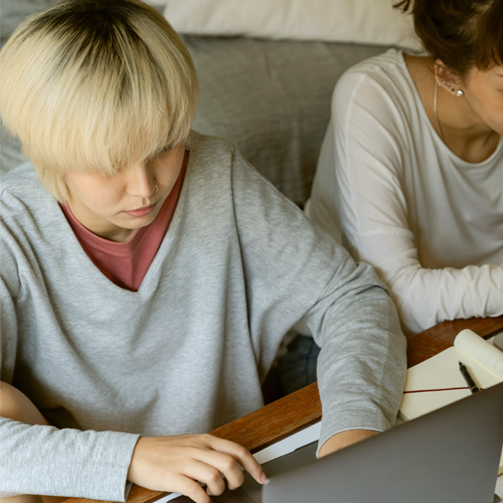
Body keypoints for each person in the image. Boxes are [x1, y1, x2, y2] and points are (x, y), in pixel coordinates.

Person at [0, 1, 406, 502]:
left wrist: (355, 425)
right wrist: (134, 455)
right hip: (84, 488)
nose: (145, 188)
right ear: (46, 151)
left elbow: (351, 297)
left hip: (229, 476)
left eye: (164, 145)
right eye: (109, 165)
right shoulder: (8, 231)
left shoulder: (217, 173)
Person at [306, 0, 503, 336]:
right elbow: (398, 300)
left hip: (490, 318)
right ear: (449, 74)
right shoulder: (372, 97)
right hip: (356, 342)